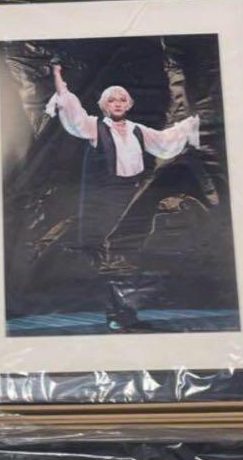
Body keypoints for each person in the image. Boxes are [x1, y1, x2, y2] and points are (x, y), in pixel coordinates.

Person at [45, 64, 204, 328]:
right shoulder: (95, 127)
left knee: (129, 256)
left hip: (131, 199)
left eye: (122, 99)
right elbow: (72, 111)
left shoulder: (137, 130)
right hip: (104, 201)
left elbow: (165, 141)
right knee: (107, 257)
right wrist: (58, 77)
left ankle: (127, 314)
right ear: (104, 105)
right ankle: (114, 314)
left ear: (128, 104)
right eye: (112, 100)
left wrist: (190, 123)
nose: (117, 103)